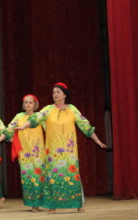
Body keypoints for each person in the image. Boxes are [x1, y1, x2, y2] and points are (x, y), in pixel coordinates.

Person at [28, 83, 106, 213]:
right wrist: (24, 125)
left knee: (72, 175)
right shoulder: (48, 109)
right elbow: (36, 118)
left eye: (58, 92)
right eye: (54, 92)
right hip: (53, 151)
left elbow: (84, 125)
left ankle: (79, 204)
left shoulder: (72, 109)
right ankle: (52, 206)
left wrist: (97, 140)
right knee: (53, 176)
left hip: (69, 152)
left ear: (64, 94)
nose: (55, 94)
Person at [6, 94, 45, 211]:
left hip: (38, 152)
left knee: (38, 175)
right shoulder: (19, 116)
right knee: (27, 176)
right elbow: (8, 130)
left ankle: (39, 202)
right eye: (25, 102)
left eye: (30, 102)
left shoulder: (38, 116)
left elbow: (49, 129)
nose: (27, 104)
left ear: (35, 105)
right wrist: (11, 139)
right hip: (24, 153)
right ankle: (32, 203)